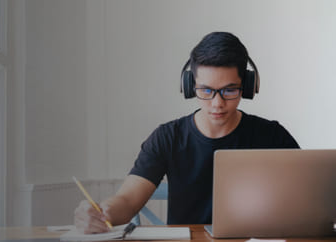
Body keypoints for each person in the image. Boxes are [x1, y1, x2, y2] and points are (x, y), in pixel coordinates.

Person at [74, 32, 300, 234]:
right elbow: (127, 200)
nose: (217, 103)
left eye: (229, 90)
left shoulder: (272, 136)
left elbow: (305, 196)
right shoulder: (167, 137)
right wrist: (103, 213)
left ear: (248, 87)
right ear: (191, 86)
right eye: (206, 90)